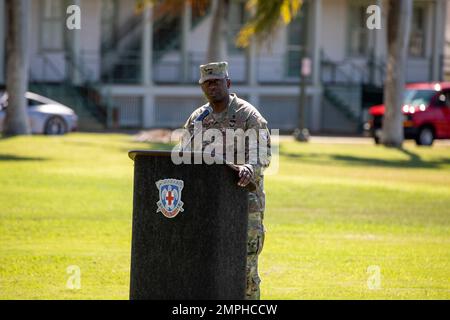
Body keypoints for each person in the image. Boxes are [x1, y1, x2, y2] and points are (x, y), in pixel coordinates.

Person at [182, 61, 271, 300]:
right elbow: (183, 156)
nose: (212, 87)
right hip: (207, 205)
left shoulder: (248, 115)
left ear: (228, 83)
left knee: (244, 268)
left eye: (217, 82)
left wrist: (248, 168)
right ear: (202, 87)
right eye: (207, 83)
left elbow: (261, 155)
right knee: (207, 265)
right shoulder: (197, 119)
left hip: (244, 203)